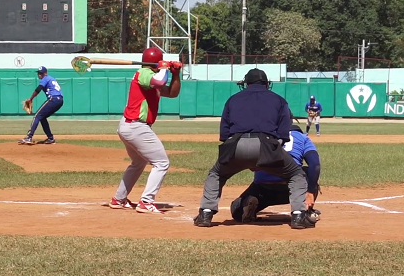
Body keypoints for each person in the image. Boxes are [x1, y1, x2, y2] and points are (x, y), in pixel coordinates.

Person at [193, 68, 312, 229]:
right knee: (296, 174)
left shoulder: (233, 99)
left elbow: (224, 134)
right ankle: (298, 216)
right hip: (267, 145)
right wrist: (267, 155)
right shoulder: (279, 100)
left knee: (216, 174)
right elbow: (284, 134)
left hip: (236, 144)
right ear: (266, 84)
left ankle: (205, 213)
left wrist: (242, 156)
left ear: (246, 83)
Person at [108, 47, 182, 214]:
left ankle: (118, 199)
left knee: (139, 162)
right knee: (162, 163)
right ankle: (146, 201)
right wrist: (164, 68)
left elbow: (172, 92)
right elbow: (159, 81)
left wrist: (175, 73)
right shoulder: (143, 74)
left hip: (131, 126)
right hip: (136, 127)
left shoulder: (151, 78)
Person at [229, 120, 321, 226]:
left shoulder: (263, 135)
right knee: (306, 172)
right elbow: (315, 165)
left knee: (236, 211)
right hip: (293, 188)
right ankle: (305, 211)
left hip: (263, 188)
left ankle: (248, 205)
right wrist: (309, 192)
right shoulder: (302, 137)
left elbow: (248, 161)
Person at [18, 66, 64, 145]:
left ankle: (29, 137)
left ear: (45, 73)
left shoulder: (45, 78)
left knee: (37, 116)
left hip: (54, 99)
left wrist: (31, 99)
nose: (39, 75)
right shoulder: (51, 78)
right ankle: (50, 138)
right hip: (60, 100)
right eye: (38, 73)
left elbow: (38, 89)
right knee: (42, 118)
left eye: (41, 73)